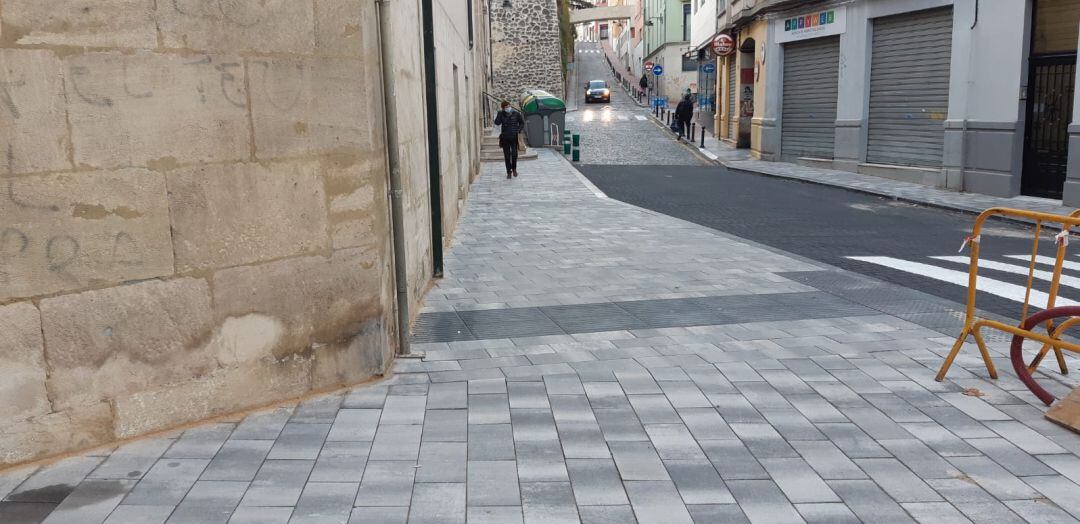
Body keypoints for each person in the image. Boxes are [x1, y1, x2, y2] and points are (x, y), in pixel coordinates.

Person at [494, 101, 524, 179]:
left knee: (514, 154)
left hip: (514, 137)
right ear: (503, 108)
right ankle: (508, 172)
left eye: (508, 106)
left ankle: (514, 168)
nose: (507, 108)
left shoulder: (516, 113)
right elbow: (497, 123)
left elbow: (521, 123)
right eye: (505, 107)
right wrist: (499, 114)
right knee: (507, 156)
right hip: (505, 138)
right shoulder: (501, 114)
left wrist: (518, 130)